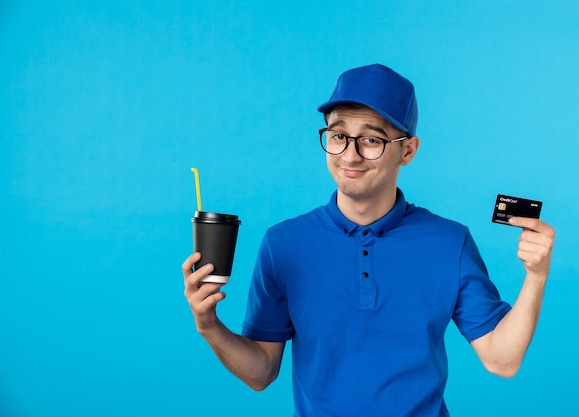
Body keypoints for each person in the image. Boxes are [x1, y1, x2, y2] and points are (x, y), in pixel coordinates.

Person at [182, 63, 555, 417]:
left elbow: (502, 360)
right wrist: (208, 324)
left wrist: (536, 275)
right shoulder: (283, 244)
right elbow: (261, 371)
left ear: (407, 150)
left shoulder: (450, 242)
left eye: (372, 139)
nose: (350, 154)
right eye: (339, 135)